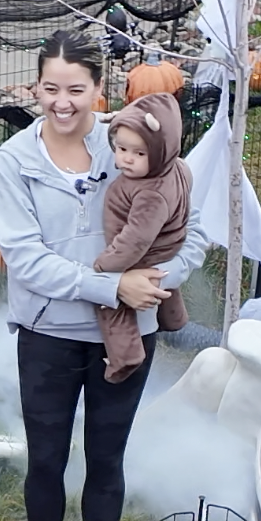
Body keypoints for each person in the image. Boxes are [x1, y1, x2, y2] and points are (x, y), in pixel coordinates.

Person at [0, 36, 191, 521]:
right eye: (50, 88)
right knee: (46, 457)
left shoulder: (130, 143)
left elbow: (188, 229)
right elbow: (27, 261)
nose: (62, 102)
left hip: (125, 337)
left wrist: (161, 279)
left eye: (76, 89)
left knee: (107, 455)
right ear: (35, 89)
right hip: (47, 332)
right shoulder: (15, 161)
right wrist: (112, 286)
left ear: (99, 90)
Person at [91, 93, 189, 383]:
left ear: (160, 151)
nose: (126, 159)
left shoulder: (149, 193)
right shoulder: (177, 167)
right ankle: (173, 318)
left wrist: (105, 267)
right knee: (161, 280)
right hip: (168, 244)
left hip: (145, 251)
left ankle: (126, 356)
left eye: (139, 153)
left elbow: (136, 238)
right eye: (121, 148)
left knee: (111, 302)